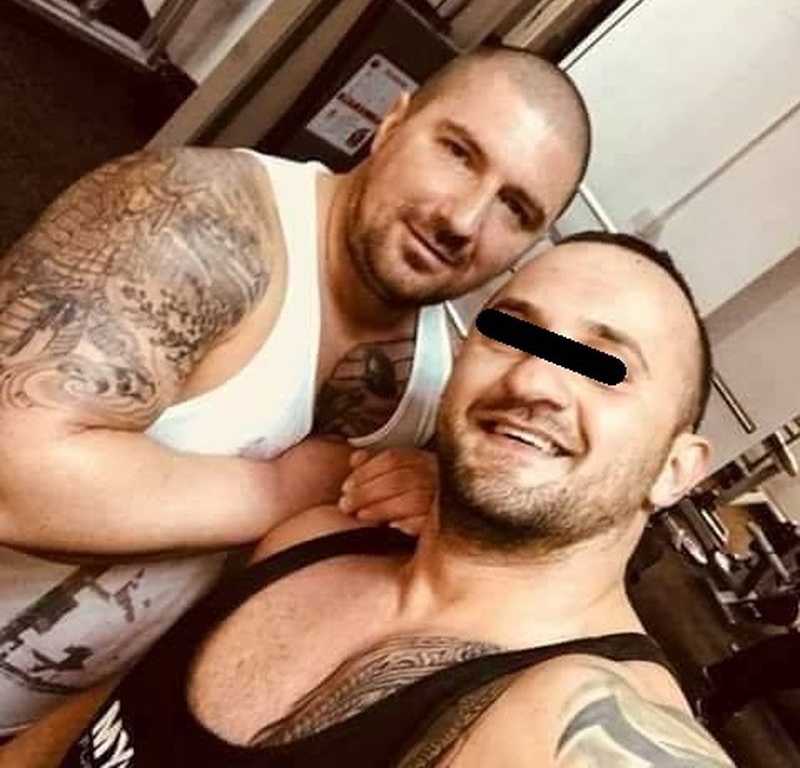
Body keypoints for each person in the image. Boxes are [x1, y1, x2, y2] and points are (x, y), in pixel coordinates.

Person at [0, 46, 591, 732]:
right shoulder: (196, 216)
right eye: (458, 153)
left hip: (61, 727)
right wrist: (284, 489)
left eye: (514, 208)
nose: (463, 220)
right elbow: (13, 478)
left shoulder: (435, 385)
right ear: (392, 122)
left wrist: (421, 501)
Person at [0, 232, 735, 767]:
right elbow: (94, 726)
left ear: (677, 470)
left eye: (604, 367)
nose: (534, 379)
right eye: (512, 333)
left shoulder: (582, 716)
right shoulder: (311, 539)